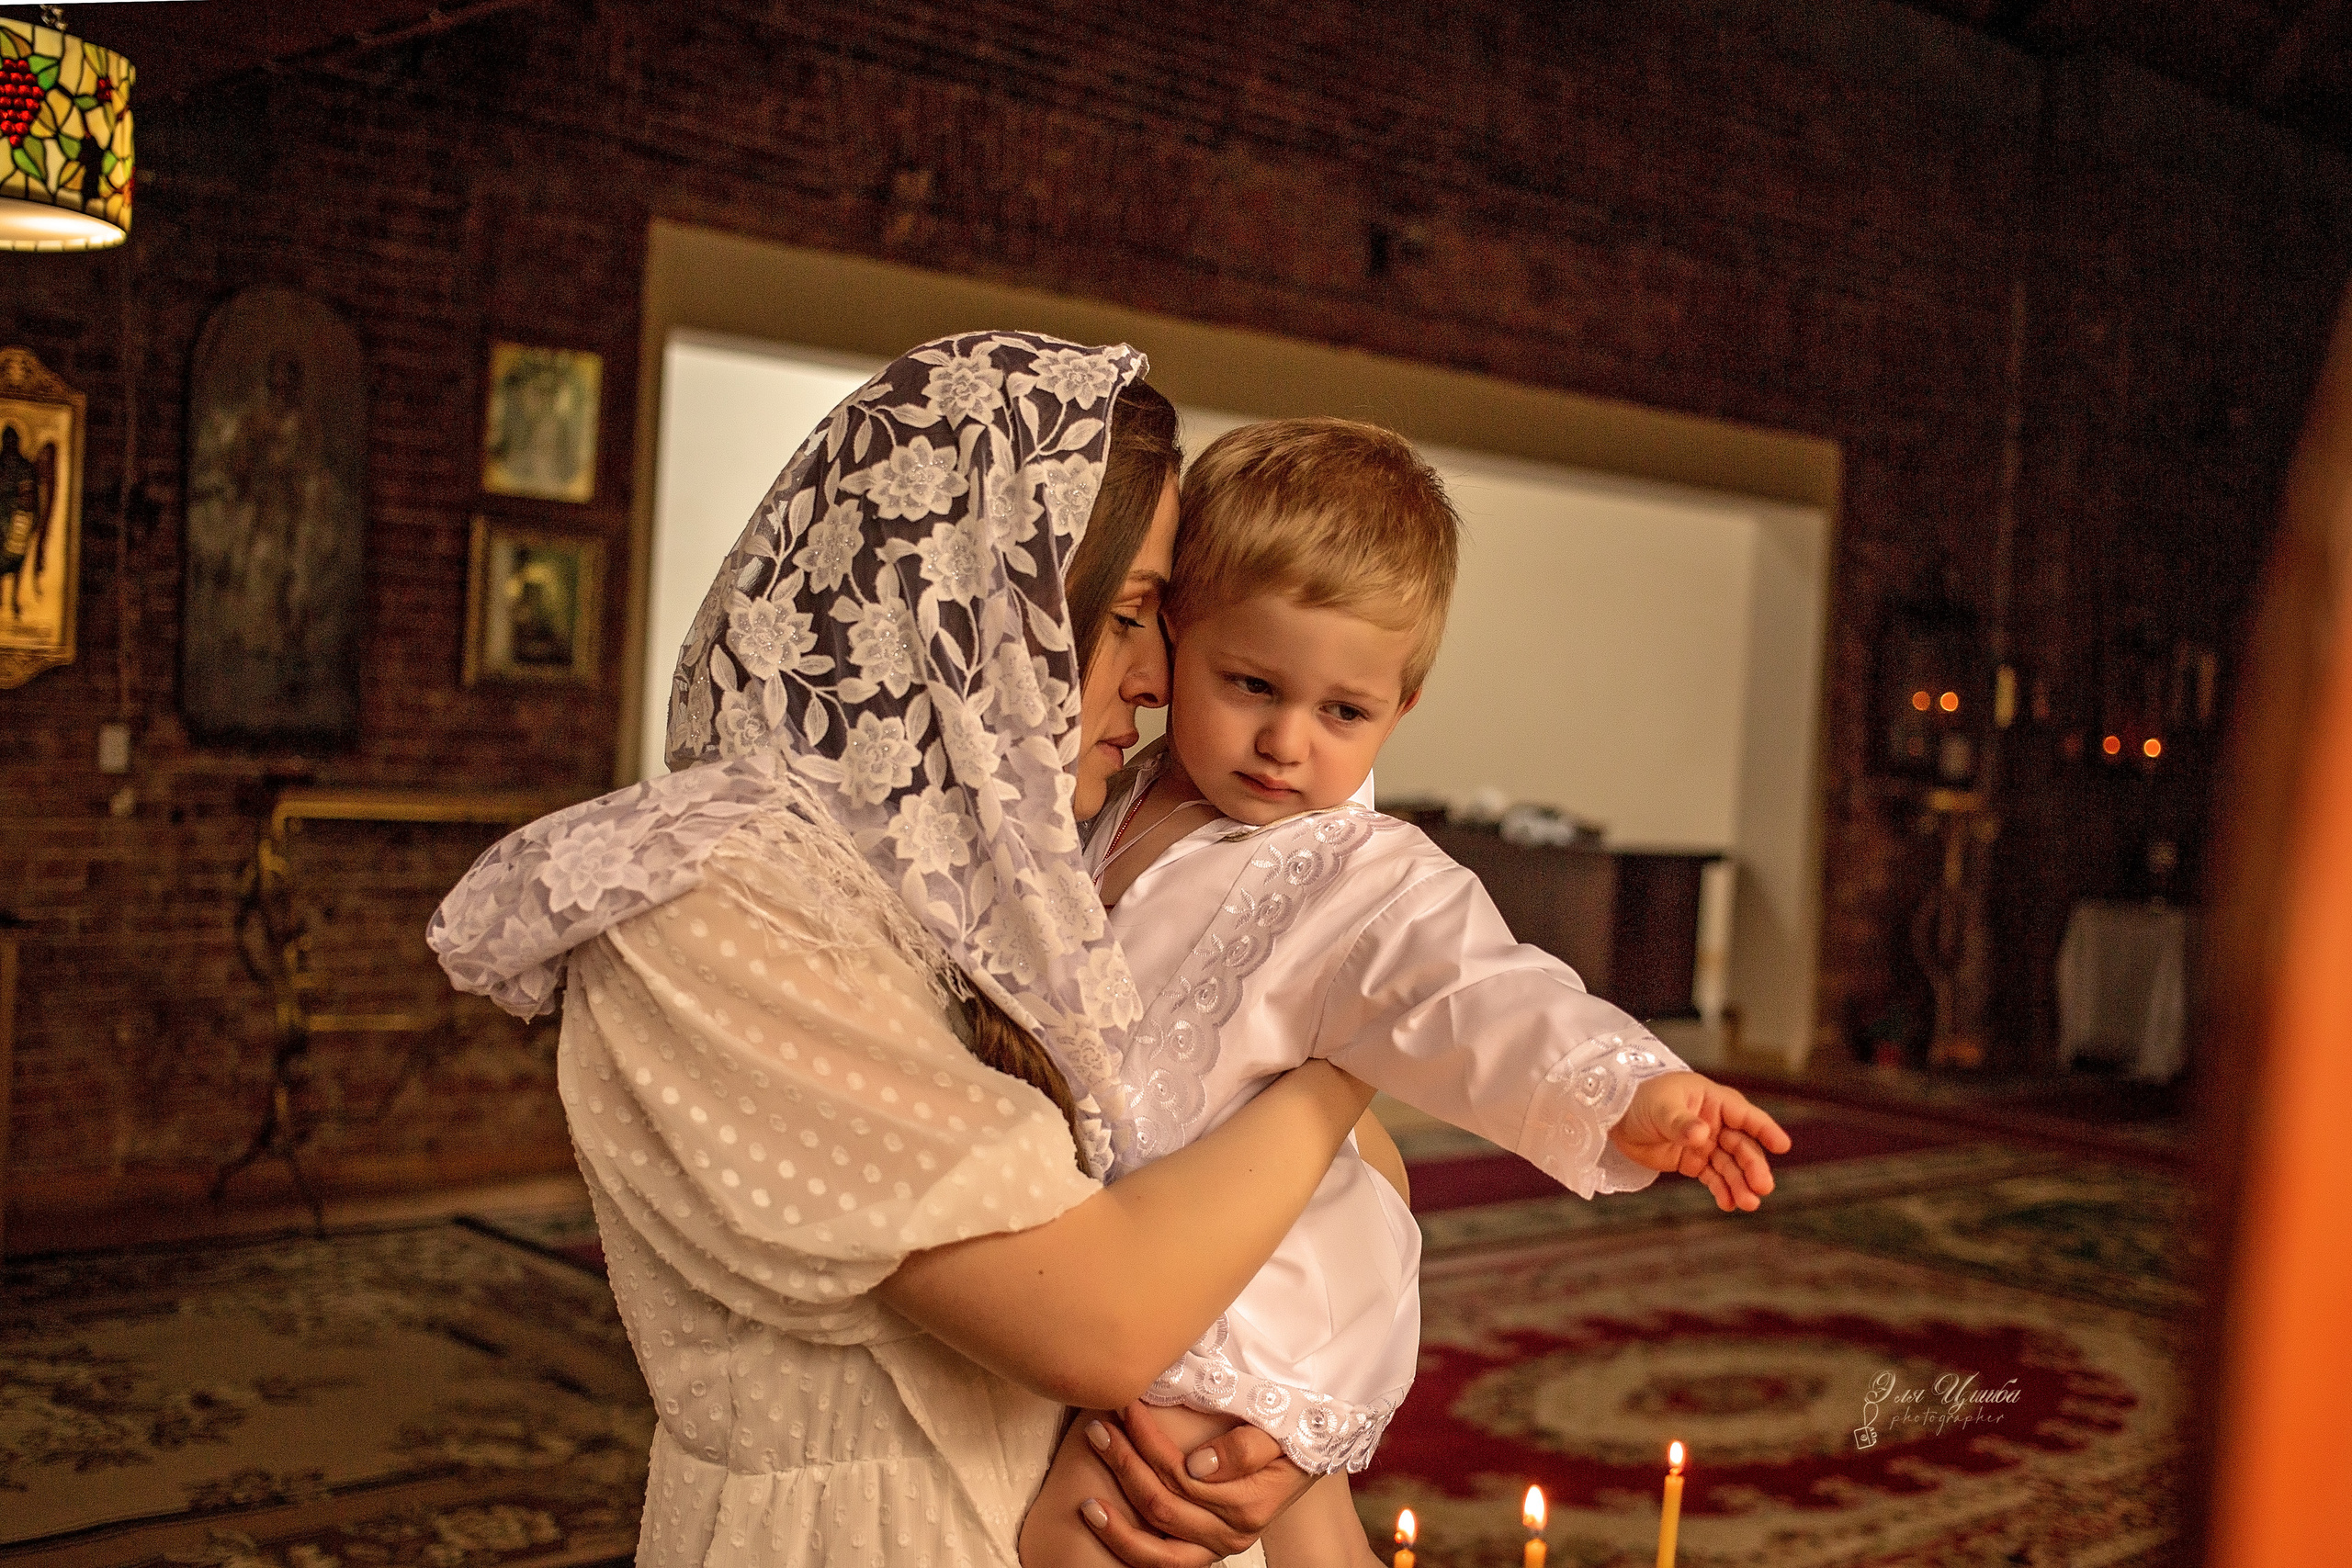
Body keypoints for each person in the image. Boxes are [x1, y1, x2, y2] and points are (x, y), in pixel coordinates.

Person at [432, 333, 1380, 1568]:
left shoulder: (1036, 878)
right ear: (968, 608)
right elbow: (1100, 1319)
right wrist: (1356, 1029)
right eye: (1127, 615)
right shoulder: (709, 900)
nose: (1156, 678)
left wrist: (1289, 1418)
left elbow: (1353, 1185)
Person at [1020, 419, 1792, 1567]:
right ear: (1177, 640)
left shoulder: (1362, 874)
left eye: (1343, 712)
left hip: (1254, 1286)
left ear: (1402, 706)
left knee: (1090, 1530)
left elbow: (1479, 993)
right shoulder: (1115, 796)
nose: (1285, 742)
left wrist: (1634, 1088)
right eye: (1250, 685)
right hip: (1133, 1244)